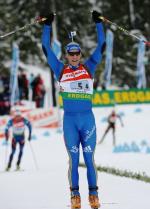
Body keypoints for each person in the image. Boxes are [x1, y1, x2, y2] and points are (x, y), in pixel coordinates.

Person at [41, 10, 105, 209]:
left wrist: (99, 23)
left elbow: (102, 45)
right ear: (67, 55)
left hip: (87, 120)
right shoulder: (61, 70)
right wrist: (46, 25)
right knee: (74, 159)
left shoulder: (90, 67)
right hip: (70, 120)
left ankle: (93, 194)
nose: (75, 56)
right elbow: (46, 47)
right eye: (71, 53)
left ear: (81, 55)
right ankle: (74, 195)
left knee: (89, 158)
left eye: (77, 53)